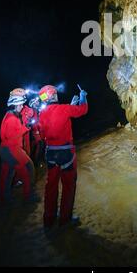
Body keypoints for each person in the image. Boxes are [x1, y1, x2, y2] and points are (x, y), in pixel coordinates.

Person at [38, 85, 88, 228]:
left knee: (51, 186)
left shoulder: (42, 114)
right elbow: (82, 110)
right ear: (53, 95)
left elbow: (42, 134)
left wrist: (70, 106)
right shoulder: (64, 109)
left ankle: (48, 219)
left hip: (51, 153)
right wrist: (83, 96)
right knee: (68, 185)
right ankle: (65, 219)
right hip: (66, 153)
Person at [0, 88, 37, 204]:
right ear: (15, 104)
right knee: (28, 169)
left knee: (7, 174)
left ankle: (4, 198)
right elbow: (11, 136)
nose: (21, 106)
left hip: (6, 149)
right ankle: (28, 197)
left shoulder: (10, 115)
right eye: (20, 104)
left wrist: (25, 124)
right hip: (11, 149)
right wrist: (25, 127)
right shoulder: (11, 118)